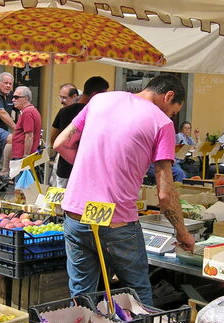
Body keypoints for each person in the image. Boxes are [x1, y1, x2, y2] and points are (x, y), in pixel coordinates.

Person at [54, 74, 196, 306]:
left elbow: (61, 143)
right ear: (168, 96)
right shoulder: (162, 123)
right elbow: (164, 194)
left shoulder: (100, 100)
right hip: (116, 221)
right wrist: (183, 234)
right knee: (138, 293)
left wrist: (93, 167)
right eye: (172, 111)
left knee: (81, 295)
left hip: (76, 214)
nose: (171, 116)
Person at [50, 76, 108, 187]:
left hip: (65, 168)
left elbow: (53, 140)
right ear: (95, 94)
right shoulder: (97, 114)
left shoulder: (64, 111)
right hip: (88, 170)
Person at [5, 85, 42, 178]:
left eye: (16, 97)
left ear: (25, 99)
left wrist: (26, 156)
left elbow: (29, 136)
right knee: (24, 184)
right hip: (23, 156)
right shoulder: (30, 111)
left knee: (21, 184)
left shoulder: (27, 112)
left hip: (22, 157)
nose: (13, 100)